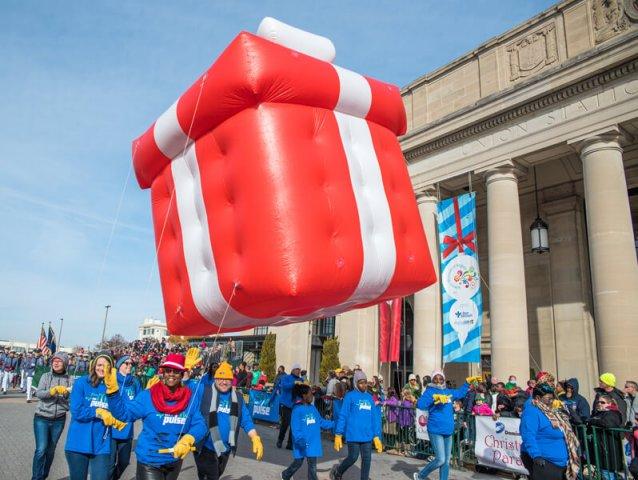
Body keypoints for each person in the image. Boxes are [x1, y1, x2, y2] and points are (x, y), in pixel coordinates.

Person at [105, 353, 207, 480]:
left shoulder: (190, 398)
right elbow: (124, 414)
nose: (171, 374)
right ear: (163, 373)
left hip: (174, 459)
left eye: (176, 371)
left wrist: (188, 439)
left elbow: (200, 424)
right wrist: (113, 393)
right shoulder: (148, 396)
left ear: (182, 375)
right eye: (168, 370)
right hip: (149, 459)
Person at [193, 361, 264, 480]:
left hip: (225, 448)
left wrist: (255, 438)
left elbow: (246, 420)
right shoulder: (205, 391)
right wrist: (187, 372)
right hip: (206, 446)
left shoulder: (238, 398)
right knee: (212, 476)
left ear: (232, 381)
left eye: (227, 379)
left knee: (216, 474)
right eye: (220, 378)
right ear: (215, 379)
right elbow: (186, 387)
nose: (224, 382)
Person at [65, 352, 125, 480]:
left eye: (106, 365)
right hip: (78, 442)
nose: (102, 368)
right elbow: (76, 411)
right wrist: (97, 412)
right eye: (99, 364)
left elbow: (119, 412)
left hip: (101, 444)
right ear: (93, 365)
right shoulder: (81, 383)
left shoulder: (113, 387)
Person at [412, 370, 475, 480]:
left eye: (440, 378)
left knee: (446, 461)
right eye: (435, 379)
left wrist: (467, 383)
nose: (438, 381)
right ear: (432, 380)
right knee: (440, 459)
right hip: (435, 430)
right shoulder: (430, 391)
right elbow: (421, 405)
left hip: (448, 430)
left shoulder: (448, 392)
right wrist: (434, 398)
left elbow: (460, 393)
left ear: (444, 379)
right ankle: (420, 476)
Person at [520, 382, 580, 480]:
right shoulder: (531, 411)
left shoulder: (552, 411)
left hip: (560, 463)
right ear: (538, 398)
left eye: (553, 398)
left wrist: (567, 409)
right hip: (543, 461)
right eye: (549, 398)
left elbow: (576, 421)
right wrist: (536, 455)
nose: (552, 401)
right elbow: (528, 435)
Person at [329, 370, 382, 480]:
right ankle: (338, 471)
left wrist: (376, 436)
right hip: (353, 434)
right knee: (353, 457)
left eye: (365, 382)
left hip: (367, 435)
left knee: (367, 459)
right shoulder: (350, 396)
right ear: (356, 383)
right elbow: (343, 415)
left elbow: (374, 418)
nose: (364, 385)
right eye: (361, 382)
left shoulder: (369, 397)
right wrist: (338, 434)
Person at [32, 352, 73, 480]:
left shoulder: (69, 380)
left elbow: (70, 402)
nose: (55, 363)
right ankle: (36, 477)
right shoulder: (45, 376)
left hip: (59, 419)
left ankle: (44, 475)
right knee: (41, 449)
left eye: (59, 361)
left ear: (65, 364)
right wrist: (52, 391)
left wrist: (66, 394)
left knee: (50, 451)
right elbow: (39, 394)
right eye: (54, 360)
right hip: (41, 417)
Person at [282, 383, 334, 480]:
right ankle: (285, 475)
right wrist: (300, 440)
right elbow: (295, 428)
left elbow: (321, 422)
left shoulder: (313, 408)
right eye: (310, 394)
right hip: (301, 442)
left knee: (312, 467)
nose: (312, 396)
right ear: (304, 396)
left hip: (313, 443)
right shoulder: (297, 410)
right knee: (298, 463)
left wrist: (334, 424)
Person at [109, 355, 141, 480]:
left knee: (124, 462)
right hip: (111, 429)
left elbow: (139, 403)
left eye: (130, 363)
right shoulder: (112, 380)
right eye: (125, 363)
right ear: (119, 365)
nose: (129, 365)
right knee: (109, 464)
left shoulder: (135, 382)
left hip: (127, 430)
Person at [586, 394, 624, 479]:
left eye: (602, 402)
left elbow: (607, 423)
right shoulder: (599, 413)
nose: (599, 404)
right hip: (600, 449)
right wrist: (592, 420)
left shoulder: (613, 413)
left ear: (609, 403)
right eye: (598, 402)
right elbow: (589, 421)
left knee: (608, 474)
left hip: (609, 450)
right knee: (604, 473)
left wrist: (592, 421)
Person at [277, 363, 303, 450]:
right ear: (292, 370)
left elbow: (303, 392)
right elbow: (284, 387)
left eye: (299, 370)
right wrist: (294, 383)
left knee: (294, 425)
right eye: (297, 369)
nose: (298, 371)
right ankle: (280, 440)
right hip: (287, 404)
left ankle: (290, 444)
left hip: (296, 405)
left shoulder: (301, 379)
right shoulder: (286, 377)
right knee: (286, 423)